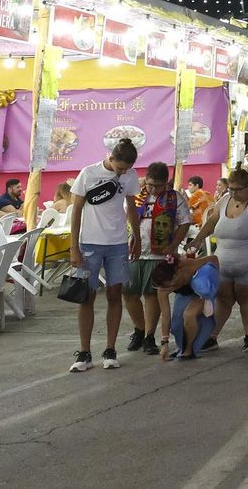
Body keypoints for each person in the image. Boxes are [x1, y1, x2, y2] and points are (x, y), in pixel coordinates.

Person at [68, 137, 142, 372]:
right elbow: (76, 210)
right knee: (86, 296)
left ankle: (110, 349)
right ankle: (84, 352)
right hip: (90, 242)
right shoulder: (88, 173)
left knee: (114, 294)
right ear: (111, 158)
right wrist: (74, 246)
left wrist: (137, 237)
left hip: (117, 243)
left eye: (126, 169)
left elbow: (131, 207)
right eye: (120, 168)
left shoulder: (130, 176)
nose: (122, 173)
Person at [190, 167, 248, 352]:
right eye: (231, 189)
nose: (234, 193)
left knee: (247, 298)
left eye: (238, 189)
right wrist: (198, 238)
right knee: (223, 298)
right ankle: (212, 336)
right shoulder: (224, 200)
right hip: (224, 263)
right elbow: (211, 221)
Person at [124, 162, 185, 356]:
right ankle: (139, 329)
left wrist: (173, 245)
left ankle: (150, 336)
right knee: (129, 292)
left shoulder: (175, 198)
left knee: (152, 295)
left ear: (166, 182)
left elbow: (184, 222)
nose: (153, 189)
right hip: (133, 251)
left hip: (158, 253)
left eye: (158, 185)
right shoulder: (136, 195)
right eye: (150, 184)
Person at [154, 254, 220, 361]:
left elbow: (213, 258)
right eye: (165, 287)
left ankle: (188, 350)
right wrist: (164, 344)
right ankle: (181, 347)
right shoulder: (162, 289)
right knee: (176, 327)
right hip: (184, 293)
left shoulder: (190, 265)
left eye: (170, 285)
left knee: (189, 314)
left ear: (177, 273)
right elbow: (166, 316)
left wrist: (214, 281)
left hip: (201, 291)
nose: (169, 288)